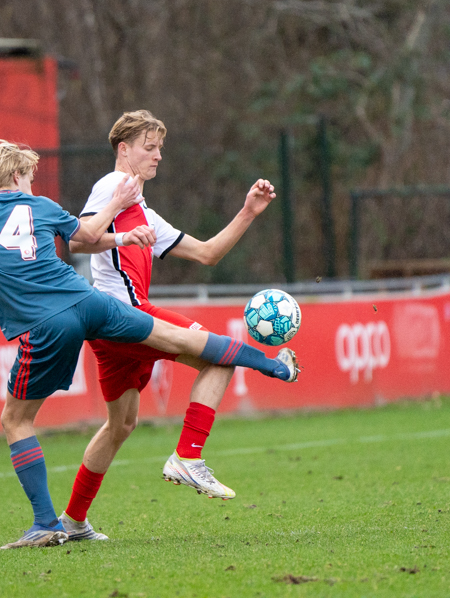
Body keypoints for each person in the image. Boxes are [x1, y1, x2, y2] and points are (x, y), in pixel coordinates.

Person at [0, 121, 299, 550]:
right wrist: (119, 218)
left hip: (48, 321)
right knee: (159, 378)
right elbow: (84, 237)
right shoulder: (51, 204)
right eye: (28, 177)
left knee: (17, 419)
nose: (31, 185)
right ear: (14, 177)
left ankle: (48, 522)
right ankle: (271, 367)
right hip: (91, 303)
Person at [59, 109, 299, 541]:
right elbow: (77, 239)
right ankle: (190, 454)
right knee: (218, 356)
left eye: (160, 149)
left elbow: (208, 253)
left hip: (109, 327)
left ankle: (73, 523)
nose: (157, 157)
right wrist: (116, 205)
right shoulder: (114, 186)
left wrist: (248, 211)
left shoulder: (146, 215)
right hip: (126, 316)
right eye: (149, 148)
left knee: (120, 426)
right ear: (124, 149)